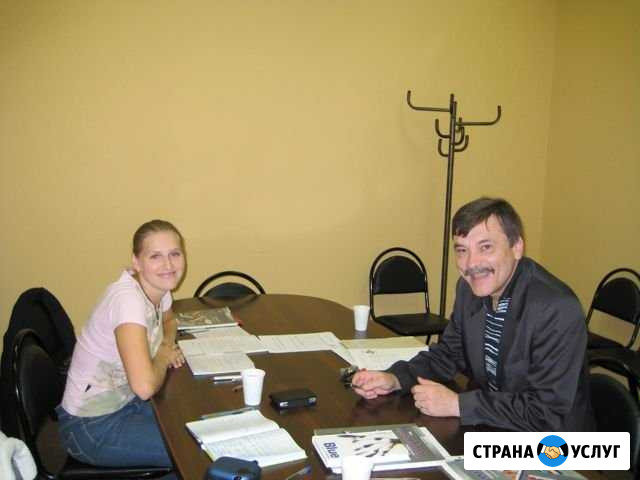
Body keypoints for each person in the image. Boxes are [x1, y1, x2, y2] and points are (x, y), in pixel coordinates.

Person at [352, 197, 595, 431]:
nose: (471, 263)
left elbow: (546, 412)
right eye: (462, 250)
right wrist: (395, 378)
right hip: (495, 426)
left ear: (516, 247)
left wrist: (458, 405)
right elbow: (448, 355)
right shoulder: (469, 289)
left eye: (485, 247)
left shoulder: (556, 308)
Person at [56, 219, 186, 471]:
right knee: (193, 450)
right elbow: (145, 387)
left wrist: (166, 343)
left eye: (174, 254)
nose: (168, 265)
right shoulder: (128, 301)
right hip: (90, 425)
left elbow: (170, 320)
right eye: (155, 256)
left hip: (126, 403)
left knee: (194, 422)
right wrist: (162, 355)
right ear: (137, 262)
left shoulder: (157, 286)